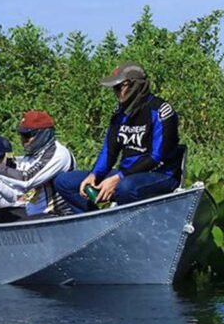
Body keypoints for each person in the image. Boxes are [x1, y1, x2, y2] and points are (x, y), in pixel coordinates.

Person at [54, 62, 181, 213]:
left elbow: (156, 157)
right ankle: (95, 222)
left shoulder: (161, 111)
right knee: (64, 182)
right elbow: (109, 151)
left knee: (125, 188)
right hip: (125, 175)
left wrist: (118, 178)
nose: (116, 92)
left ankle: (131, 227)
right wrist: (94, 174)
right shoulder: (119, 113)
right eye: (114, 88)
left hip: (159, 175)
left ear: (135, 85)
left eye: (119, 87)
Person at [0, 110, 74, 220]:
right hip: (33, 214)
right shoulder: (30, 157)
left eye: (27, 135)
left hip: (57, 216)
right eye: (21, 135)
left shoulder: (58, 154)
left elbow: (26, 180)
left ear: (44, 133)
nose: (23, 140)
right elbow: (15, 195)